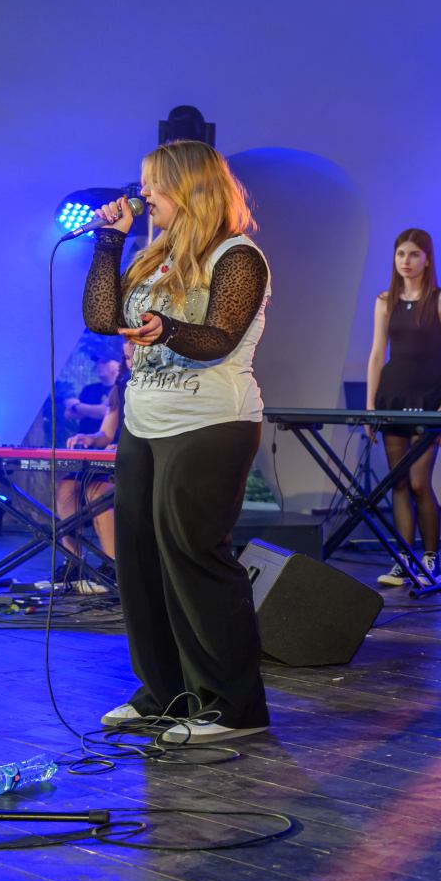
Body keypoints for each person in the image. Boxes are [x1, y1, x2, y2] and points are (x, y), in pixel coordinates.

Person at [82, 139, 273, 746]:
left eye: (152, 184)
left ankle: (234, 706)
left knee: (195, 555)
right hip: (145, 421)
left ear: (187, 186)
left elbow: (219, 338)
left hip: (210, 421)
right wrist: (108, 242)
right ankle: (163, 693)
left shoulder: (238, 256)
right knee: (139, 562)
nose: (142, 194)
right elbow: (101, 317)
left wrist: (168, 328)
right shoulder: (156, 255)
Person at [365, 228, 441, 586]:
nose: (406, 261)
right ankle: (403, 558)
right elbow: (377, 355)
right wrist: (369, 408)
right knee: (399, 482)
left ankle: (431, 559)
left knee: (420, 482)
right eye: (400, 254)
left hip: (429, 398)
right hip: (392, 396)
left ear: (427, 259)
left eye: (414, 254)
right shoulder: (384, 300)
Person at [55, 341, 132, 586]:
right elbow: (105, 434)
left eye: (134, 357)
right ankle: (73, 562)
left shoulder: (158, 390)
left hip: (138, 463)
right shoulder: (120, 389)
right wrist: (89, 438)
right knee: (66, 487)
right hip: (109, 464)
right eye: (127, 358)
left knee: (98, 492)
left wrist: (127, 446)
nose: (131, 363)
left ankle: (113, 565)